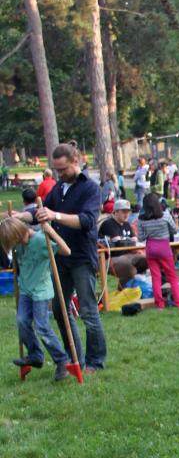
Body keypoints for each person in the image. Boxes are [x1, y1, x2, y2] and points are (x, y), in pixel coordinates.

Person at [17, 142, 107, 372]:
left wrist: (55, 215)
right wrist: (19, 216)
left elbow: (87, 221)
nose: (60, 174)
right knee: (59, 310)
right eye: (57, 170)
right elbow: (39, 214)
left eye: (63, 169)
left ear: (75, 162)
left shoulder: (90, 189)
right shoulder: (59, 188)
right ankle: (74, 357)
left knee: (88, 311)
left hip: (81, 257)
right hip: (60, 257)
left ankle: (95, 361)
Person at [0, 216, 71, 380]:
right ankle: (36, 355)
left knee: (42, 326)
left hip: (40, 290)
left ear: (20, 233)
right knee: (22, 321)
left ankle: (61, 360)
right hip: (26, 289)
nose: (16, 245)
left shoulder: (39, 240)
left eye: (15, 241)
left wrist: (50, 231)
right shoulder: (19, 244)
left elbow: (66, 251)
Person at [137, 192, 179, 309]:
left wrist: (149, 233)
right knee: (172, 276)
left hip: (151, 249)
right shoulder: (166, 216)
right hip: (164, 248)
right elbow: (174, 230)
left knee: (155, 277)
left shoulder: (141, 219)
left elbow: (140, 238)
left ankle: (159, 304)